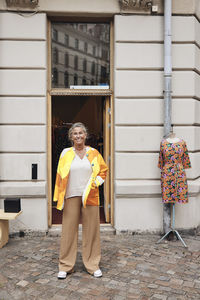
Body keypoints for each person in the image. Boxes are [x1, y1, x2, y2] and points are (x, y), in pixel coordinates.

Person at [53, 122, 108, 279]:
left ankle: (92, 264)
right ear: (71, 137)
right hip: (71, 195)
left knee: (91, 231)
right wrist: (59, 197)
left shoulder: (94, 152)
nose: (78, 136)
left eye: (81, 133)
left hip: (90, 196)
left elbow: (103, 171)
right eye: (75, 133)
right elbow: (59, 175)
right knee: (68, 231)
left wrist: (96, 183)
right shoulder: (65, 153)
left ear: (85, 135)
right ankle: (65, 265)